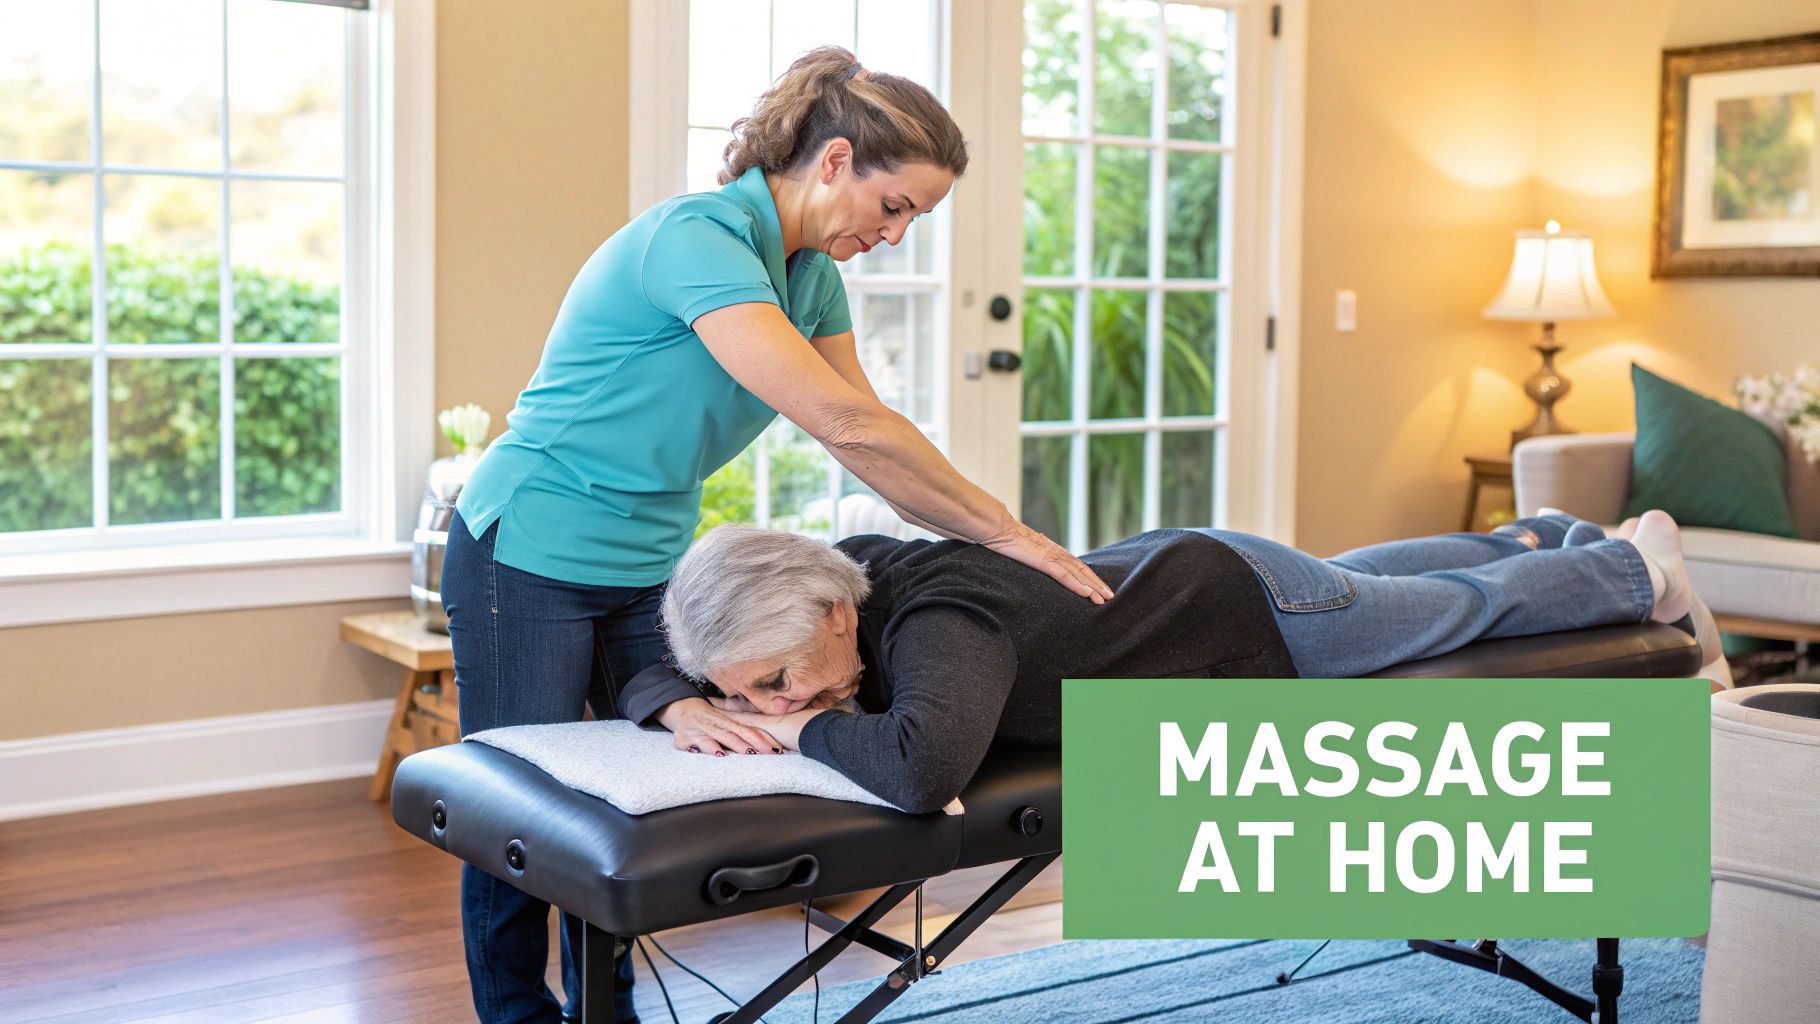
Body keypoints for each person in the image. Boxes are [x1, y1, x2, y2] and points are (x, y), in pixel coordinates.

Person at [438, 46, 1114, 1024]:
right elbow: (841, 424)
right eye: (894, 208)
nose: (894, 235)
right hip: (527, 545)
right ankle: (516, 1015)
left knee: (642, 791)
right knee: (524, 812)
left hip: (649, 560)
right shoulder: (697, 240)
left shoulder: (809, 282)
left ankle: (609, 1011)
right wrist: (1009, 534)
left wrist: (994, 541)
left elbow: (868, 439)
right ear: (835, 160)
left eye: (913, 220)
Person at [620, 510, 1722, 815]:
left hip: (1240, 613)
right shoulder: (844, 571)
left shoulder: (935, 623)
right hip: (1194, 569)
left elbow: (921, 771)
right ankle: (1540, 531)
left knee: (1445, 612)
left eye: (773, 676)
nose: (769, 701)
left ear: (825, 614)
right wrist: (683, 701)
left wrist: (802, 727)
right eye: (746, 690)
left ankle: (1637, 574)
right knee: (1380, 581)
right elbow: (700, 662)